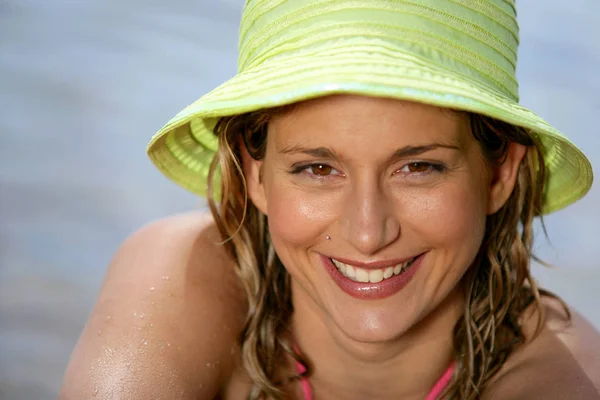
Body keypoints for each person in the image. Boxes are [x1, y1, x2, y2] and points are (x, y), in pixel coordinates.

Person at [60, 1, 600, 399]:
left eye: (418, 167)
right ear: (255, 175)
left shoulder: (563, 380)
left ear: (499, 174)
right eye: (317, 168)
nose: (368, 233)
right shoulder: (181, 275)